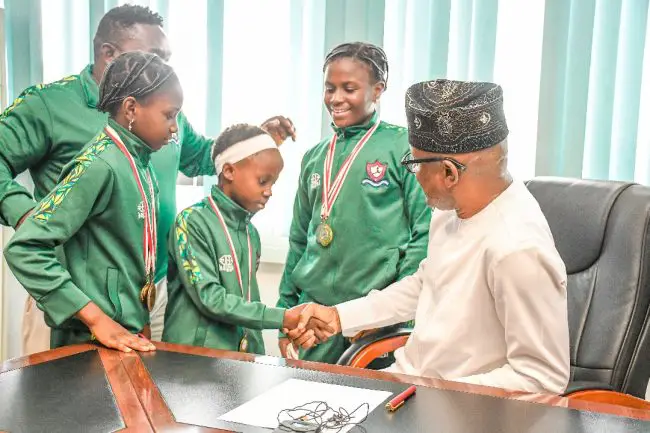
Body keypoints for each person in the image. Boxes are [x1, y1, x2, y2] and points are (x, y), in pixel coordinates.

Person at [0, 4, 295, 354]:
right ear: (109, 54)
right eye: (153, 56)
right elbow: (29, 243)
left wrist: (251, 144)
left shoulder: (157, 113)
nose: (163, 67)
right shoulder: (52, 106)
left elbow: (204, 156)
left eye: (166, 59)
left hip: (142, 292)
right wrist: (25, 214)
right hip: (76, 298)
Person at [286, 79, 571, 394]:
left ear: (449, 173)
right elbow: (425, 284)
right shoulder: (450, 211)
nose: (414, 175)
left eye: (414, 164)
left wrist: (433, 391)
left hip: (453, 406)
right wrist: (339, 316)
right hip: (406, 386)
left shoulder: (516, 248)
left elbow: (541, 378)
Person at [4, 51, 183, 352]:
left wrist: (140, 316)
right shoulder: (98, 164)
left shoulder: (141, 163)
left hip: (126, 331)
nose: (175, 127)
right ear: (131, 108)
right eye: (169, 115)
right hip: (86, 339)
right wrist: (96, 319)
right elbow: (25, 248)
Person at [276, 42, 431, 364]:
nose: (336, 98)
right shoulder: (315, 156)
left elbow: (424, 235)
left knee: (372, 397)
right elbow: (299, 239)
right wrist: (284, 312)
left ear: (378, 90)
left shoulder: (404, 148)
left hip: (375, 321)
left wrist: (389, 311)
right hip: (314, 320)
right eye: (329, 88)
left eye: (349, 88)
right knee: (304, 395)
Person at [163, 124, 307, 353]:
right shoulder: (191, 222)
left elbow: (247, 298)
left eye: (273, 183)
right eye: (263, 181)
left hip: (238, 359)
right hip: (193, 360)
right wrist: (282, 318)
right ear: (229, 171)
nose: (269, 191)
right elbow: (210, 298)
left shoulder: (251, 234)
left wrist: (257, 354)